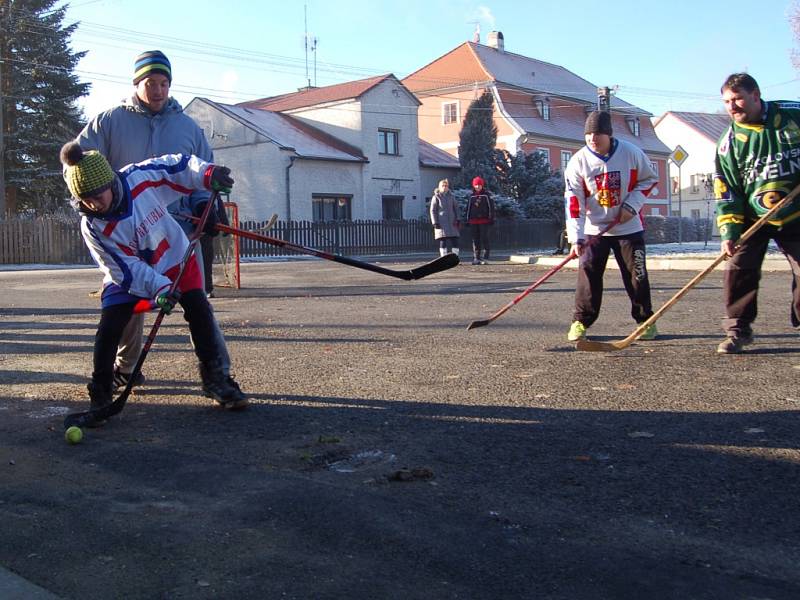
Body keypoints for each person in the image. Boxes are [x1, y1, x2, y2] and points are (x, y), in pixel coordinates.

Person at [76, 49, 232, 390]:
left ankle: (217, 374)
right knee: (129, 300)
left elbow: (197, 166)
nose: (158, 90)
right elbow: (76, 162)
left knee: (197, 303)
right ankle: (126, 368)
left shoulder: (187, 127)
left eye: (164, 83)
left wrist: (207, 202)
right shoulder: (110, 121)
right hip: (122, 231)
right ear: (136, 83)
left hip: (178, 230)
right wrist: (89, 198)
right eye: (150, 83)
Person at [60, 141, 247, 419]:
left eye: (98, 196)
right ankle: (101, 391)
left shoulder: (138, 178)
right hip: (128, 277)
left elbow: (176, 167)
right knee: (111, 324)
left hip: (175, 258)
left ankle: (216, 379)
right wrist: (159, 289)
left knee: (199, 310)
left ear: (110, 184)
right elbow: (125, 267)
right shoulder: (92, 225)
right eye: (86, 199)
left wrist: (208, 174)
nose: (93, 204)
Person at [713, 73, 800, 354]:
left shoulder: (793, 115)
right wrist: (729, 232)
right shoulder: (728, 143)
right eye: (727, 101)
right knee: (738, 269)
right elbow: (727, 192)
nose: (732, 106)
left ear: (756, 94)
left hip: (796, 211)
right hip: (754, 215)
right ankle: (738, 330)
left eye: (737, 98)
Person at [563, 110, 659, 342]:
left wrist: (632, 206)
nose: (593, 139)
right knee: (588, 275)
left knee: (637, 274)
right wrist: (577, 238)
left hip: (629, 227)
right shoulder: (578, 162)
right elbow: (574, 203)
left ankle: (645, 321)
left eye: (598, 134)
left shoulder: (631, 153)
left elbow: (649, 179)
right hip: (594, 230)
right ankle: (580, 321)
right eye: (588, 135)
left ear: (609, 134)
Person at [465, 176, 495, 265]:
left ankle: (486, 257)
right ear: (473, 186)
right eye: (476, 185)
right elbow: (468, 208)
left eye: (479, 185)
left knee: (484, 238)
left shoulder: (486, 195)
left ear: (482, 185)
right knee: (475, 239)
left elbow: (491, 208)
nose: (477, 187)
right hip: (473, 221)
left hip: (484, 220)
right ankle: (476, 257)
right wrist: (467, 219)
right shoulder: (471, 196)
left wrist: (491, 218)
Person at [429, 179, 460, 256]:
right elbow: (433, 210)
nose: (444, 187)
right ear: (439, 187)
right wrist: (435, 222)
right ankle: (443, 257)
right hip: (441, 222)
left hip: (452, 222)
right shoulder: (436, 197)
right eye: (443, 186)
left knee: (455, 240)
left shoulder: (451, 197)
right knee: (443, 241)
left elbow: (456, 208)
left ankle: (455, 257)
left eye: (446, 186)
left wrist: (458, 218)